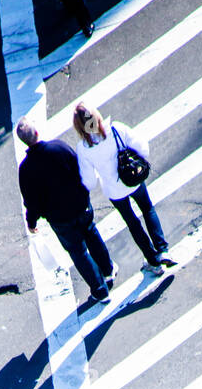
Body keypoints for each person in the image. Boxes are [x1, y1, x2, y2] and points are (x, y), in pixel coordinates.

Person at [16, 117, 114, 305]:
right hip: (80, 205)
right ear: (37, 133)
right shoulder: (59, 147)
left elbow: (32, 202)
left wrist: (32, 223)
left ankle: (101, 291)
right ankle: (108, 270)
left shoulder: (26, 169)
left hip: (60, 219)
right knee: (92, 234)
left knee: (78, 252)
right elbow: (80, 169)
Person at [73, 103, 176, 276]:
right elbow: (143, 148)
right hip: (133, 179)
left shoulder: (83, 148)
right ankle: (163, 249)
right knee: (148, 209)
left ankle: (153, 261)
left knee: (132, 222)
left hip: (115, 191)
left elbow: (90, 182)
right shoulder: (116, 129)